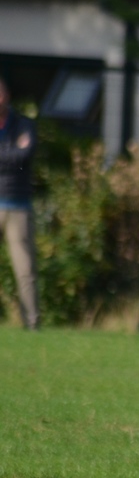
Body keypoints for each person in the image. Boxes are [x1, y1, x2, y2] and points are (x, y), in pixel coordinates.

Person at [0, 77, 38, 331]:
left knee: (25, 270)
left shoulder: (24, 125)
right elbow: (16, 155)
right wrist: (12, 153)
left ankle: (32, 324)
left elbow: (24, 156)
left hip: (17, 206)